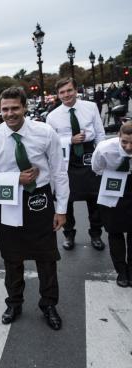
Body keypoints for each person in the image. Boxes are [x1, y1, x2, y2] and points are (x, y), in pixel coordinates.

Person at [0, 86, 69, 331]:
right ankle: (14, 303)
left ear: (25, 107)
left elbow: (60, 172)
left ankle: (49, 304)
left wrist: (61, 210)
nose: (10, 113)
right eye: (5, 109)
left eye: (15, 108)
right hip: (9, 199)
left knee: (47, 258)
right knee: (12, 258)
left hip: (39, 200)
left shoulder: (45, 132)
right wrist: (14, 179)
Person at [47, 77, 106, 251]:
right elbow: (51, 142)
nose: (66, 95)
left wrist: (100, 156)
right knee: (67, 199)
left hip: (89, 156)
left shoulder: (90, 107)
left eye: (69, 90)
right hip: (67, 159)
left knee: (94, 199)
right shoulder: (52, 116)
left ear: (76, 90)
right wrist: (70, 140)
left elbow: (100, 133)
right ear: (58, 95)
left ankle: (96, 234)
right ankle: (69, 235)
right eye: (62, 92)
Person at [91, 121, 132, 287]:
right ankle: (121, 271)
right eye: (124, 142)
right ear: (118, 137)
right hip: (112, 183)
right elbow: (96, 168)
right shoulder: (104, 148)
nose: (128, 147)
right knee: (114, 231)